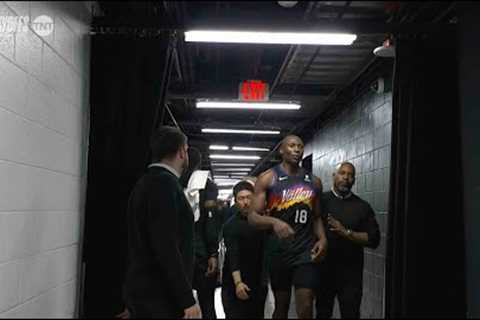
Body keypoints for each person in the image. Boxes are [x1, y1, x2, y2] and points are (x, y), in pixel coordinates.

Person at [124, 126, 201, 319]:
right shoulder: (165, 185)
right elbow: (165, 245)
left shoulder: (146, 182)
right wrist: (186, 299)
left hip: (148, 290)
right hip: (160, 296)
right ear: (182, 151)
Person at [248, 135, 328, 318]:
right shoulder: (268, 178)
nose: (297, 149)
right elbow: (252, 217)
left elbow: (316, 217)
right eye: (292, 146)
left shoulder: (314, 182)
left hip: (305, 253)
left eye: (300, 146)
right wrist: (274, 222)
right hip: (279, 253)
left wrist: (323, 239)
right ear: (282, 151)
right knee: (281, 307)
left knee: (306, 306)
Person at [315, 162, 381, 319]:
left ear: (354, 180)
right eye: (342, 173)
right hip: (324, 271)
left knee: (351, 314)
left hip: (351, 275)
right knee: (323, 313)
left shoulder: (362, 206)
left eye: (350, 175)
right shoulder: (321, 202)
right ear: (334, 176)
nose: (346, 178)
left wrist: (346, 233)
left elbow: (373, 239)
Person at [181, 147, 220, 319]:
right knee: (207, 304)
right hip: (201, 252)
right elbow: (211, 222)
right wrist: (213, 253)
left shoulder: (171, 181)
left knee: (177, 303)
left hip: (177, 252)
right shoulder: (208, 186)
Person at [222, 181, 268, 319]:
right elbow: (233, 255)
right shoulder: (230, 226)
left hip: (257, 281)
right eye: (241, 198)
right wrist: (238, 283)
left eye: (248, 197)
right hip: (234, 282)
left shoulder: (262, 223)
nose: (246, 202)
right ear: (235, 201)